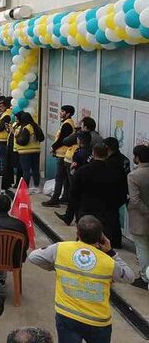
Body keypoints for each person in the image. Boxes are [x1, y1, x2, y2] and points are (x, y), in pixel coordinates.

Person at [28, 215, 134, 342]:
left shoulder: (61, 249)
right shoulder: (108, 262)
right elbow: (129, 276)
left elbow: (33, 257)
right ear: (102, 237)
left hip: (67, 315)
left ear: (77, 232)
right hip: (98, 321)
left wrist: (54, 266)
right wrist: (112, 253)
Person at [68, 145, 128, 248]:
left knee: (86, 248)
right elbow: (123, 193)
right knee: (109, 246)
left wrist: (78, 210)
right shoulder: (117, 171)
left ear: (93, 153)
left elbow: (74, 194)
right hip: (109, 216)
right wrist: (114, 206)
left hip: (87, 214)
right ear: (107, 153)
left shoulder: (83, 171)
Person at [44, 105, 76, 207]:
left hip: (63, 155)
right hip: (64, 154)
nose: (60, 113)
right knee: (65, 179)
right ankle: (65, 198)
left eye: (62, 111)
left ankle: (54, 199)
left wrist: (53, 147)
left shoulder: (67, 124)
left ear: (68, 114)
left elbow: (62, 139)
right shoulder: (67, 123)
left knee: (59, 178)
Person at [128, 145, 149, 290]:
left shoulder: (134, 175)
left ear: (137, 157)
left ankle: (145, 277)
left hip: (140, 219)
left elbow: (135, 200)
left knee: (142, 249)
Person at [13, 111, 45, 194]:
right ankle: (36, 187)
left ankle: (26, 189)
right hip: (36, 150)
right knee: (35, 169)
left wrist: (17, 138)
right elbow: (42, 138)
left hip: (25, 152)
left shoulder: (26, 128)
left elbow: (23, 141)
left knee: (26, 170)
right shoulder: (36, 126)